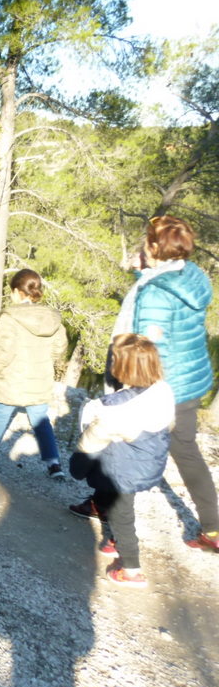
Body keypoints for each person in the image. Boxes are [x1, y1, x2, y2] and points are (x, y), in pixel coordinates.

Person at [73, 215, 218, 552]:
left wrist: (126, 384)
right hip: (188, 382)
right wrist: (144, 274)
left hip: (155, 386)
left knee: (123, 448)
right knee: (186, 451)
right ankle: (213, 528)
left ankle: (116, 532)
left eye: (146, 240)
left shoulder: (153, 292)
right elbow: (165, 303)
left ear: (154, 247)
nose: (142, 243)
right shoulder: (191, 276)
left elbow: (145, 345)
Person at [67, 334, 175, 589]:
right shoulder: (162, 389)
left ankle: (131, 569)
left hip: (125, 469)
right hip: (148, 458)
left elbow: (91, 442)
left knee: (122, 514)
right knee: (116, 497)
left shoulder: (114, 408)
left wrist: (77, 467)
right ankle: (100, 511)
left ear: (122, 368)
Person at [0, 269, 68, 477]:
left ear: (16, 291)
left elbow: (2, 352)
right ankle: (54, 463)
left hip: (10, 380)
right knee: (40, 419)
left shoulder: (10, 317)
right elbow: (60, 348)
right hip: (39, 379)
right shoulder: (51, 318)